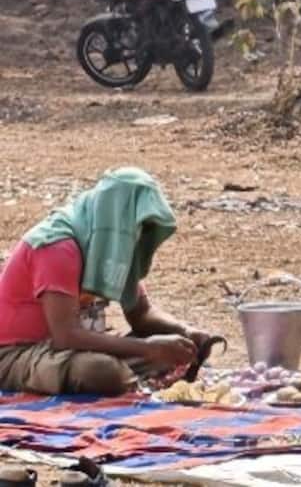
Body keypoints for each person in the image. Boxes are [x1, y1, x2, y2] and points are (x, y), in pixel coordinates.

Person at [0, 168, 217, 395]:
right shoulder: (57, 246)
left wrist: (186, 332)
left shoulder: (115, 247)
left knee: (174, 352)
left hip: (72, 349)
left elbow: (141, 314)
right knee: (102, 372)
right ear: (115, 221)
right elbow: (66, 335)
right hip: (19, 352)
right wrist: (148, 349)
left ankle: (127, 376)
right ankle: (122, 377)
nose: (139, 235)